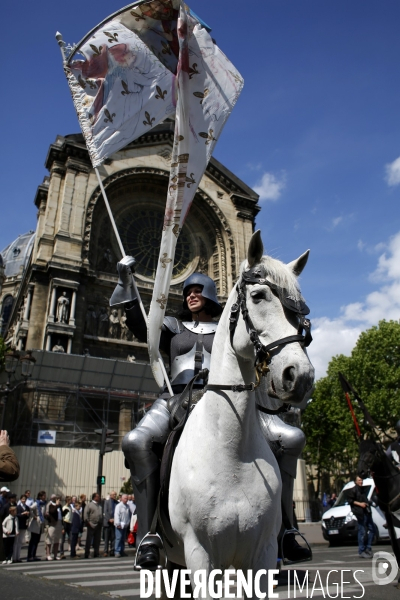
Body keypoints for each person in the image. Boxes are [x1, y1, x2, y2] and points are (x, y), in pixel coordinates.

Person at [110, 257, 222, 569]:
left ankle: (284, 530)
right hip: (175, 399)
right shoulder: (173, 325)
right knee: (135, 441)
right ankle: (148, 536)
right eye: (188, 291)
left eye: (198, 289)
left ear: (210, 293)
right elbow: (140, 326)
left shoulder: (227, 328)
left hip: (219, 399)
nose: (191, 295)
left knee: (283, 438)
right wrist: (126, 282)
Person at [347, 475, 374, 558]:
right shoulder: (353, 490)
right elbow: (350, 500)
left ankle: (368, 548)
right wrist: (360, 504)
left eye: (361, 480)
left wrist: (368, 503)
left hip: (366, 512)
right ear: (356, 481)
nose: (361, 482)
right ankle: (361, 550)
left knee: (372, 529)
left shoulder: (362, 489)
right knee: (362, 531)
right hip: (360, 513)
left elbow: (365, 499)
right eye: (359, 480)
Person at [27, 491, 46, 562]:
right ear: (40, 496)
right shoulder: (36, 503)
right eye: (43, 496)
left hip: (41, 522)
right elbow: (30, 508)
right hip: (36, 522)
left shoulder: (43, 504)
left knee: (37, 540)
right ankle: (30, 556)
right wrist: (34, 516)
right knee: (33, 540)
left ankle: (34, 555)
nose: (45, 497)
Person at [84, 493, 102, 558]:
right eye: (98, 496)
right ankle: (87, 553)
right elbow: (86, 515)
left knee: (97, 540)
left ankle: (96, 553)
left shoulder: (99, 505)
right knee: (89, 540)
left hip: (98, 525)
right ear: (94, 497)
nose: (99, 498)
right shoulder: (89, 505)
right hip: (91, 524)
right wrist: (88, 523)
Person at [45, 494, 63, 560]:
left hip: (59, 522)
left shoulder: (59, 506)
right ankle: (48, 554)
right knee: (50, 539)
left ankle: (55, 555)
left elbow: (61, 513)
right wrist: (57, 505)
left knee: (57, 539)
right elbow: (52, 512)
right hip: (52, 523)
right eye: (58, 499)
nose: (59, 501)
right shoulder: (50, 505)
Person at [114, 494, 131, 558]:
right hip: (120, 525)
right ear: (122, 499)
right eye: (125, 498)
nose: (126, 500)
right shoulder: (119, 506)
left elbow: (128, 515)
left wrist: (128, 523)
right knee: (118, 538)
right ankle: (117, 551)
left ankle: (121, 550)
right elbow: (117, 515)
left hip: (125, 525)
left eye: (127, 499)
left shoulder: (127, 506)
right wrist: (118, 524)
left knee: (123, 539)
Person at [13, 494, 29, 562]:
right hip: (18, 525)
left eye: (25, 499)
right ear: (20, 499)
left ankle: (18, 557)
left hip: (24, 525)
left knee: (20, 542)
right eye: (23, 499)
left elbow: (28, 516)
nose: (24, 500)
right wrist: (23, 514)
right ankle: (14, 557)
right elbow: (16, 515)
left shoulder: (27, 507)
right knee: (16, 541)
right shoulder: (18, 507)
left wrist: (27, 514)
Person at [103, 490, 118, 557]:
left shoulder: (116, 503)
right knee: (106, 538)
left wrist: (114, 519)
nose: (114, 495)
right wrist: (109, 519)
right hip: (107, 522)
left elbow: (117, 512)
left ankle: (112, 550)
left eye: (115, 494)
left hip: (114, 522)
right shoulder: (107, 502)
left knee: (113, 538)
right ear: (111, 495)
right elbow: (105, 511)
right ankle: (105, 551)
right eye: (113, 494)